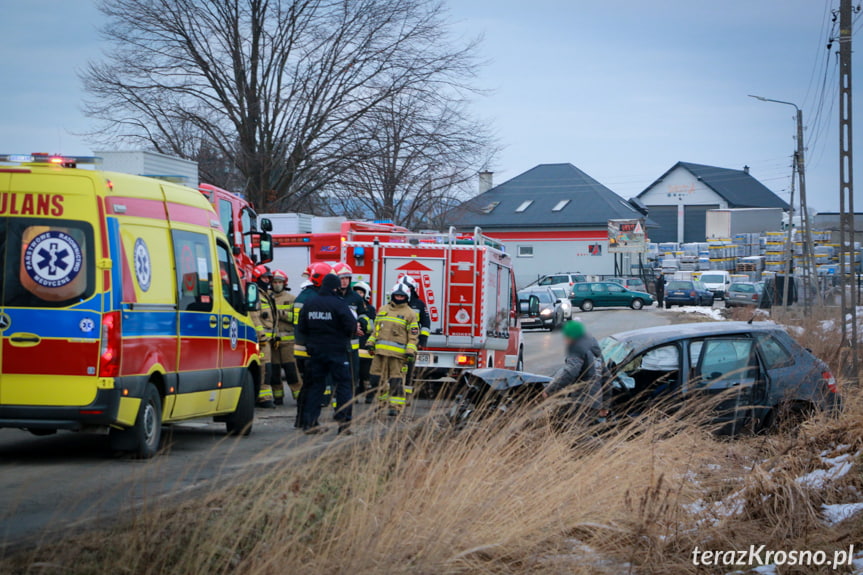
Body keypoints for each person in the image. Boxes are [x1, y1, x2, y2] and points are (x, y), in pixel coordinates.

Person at [297, 273, 357, 434]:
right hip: (337, 351)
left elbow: (301, 327)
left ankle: (310, 423)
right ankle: (343, 424)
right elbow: (351, 326)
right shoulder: (338, 303)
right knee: (343, 385)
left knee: (316, 386)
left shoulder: (310, 303)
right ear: (335, 287)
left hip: (316, 352)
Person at [366, 283, 419, 416]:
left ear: (406, 297)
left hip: (398, 356)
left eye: (402, 296)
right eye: (397, 295)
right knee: (375, 379)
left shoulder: (410, 314)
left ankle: (395, 407)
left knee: (396, 381)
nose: (399, 298)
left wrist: (410, 351)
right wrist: (370, 343)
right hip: (379, 354)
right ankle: (380, 403)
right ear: (392, 295)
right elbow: (376, 330)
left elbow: (413, 335)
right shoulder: (383, 309)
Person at [542, 320, 608, 423]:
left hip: (581, 400)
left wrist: (550, 390)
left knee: (573, 433)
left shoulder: (577, 348)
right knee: (582, 433)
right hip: (594, 402)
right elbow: (607, 378)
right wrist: (604, 405)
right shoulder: (596, 352)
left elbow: (571, 372)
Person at [292, 262, 332, 428]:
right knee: (314, 387)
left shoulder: (303, 296)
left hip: (300, 348)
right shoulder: (313, 298)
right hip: (311, 349)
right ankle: (309, 421)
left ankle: (300, 420)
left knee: (307, 385)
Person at [268, 269, 301, 405]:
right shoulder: (267, 297)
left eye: (280, 282)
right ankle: (278, 397)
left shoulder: (292, 299)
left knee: (291, 371)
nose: (277, 284)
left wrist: (281, 314)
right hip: (273, 342)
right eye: (275, 282)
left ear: (284, 283)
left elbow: (297, 318)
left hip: (288, 342)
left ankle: (299, 396)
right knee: (274, 373)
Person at [398, 275, 430, 400]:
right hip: (397, 341)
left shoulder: (419, 304)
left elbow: (426, 323)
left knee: (409, 370)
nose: (408, 290)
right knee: (395, 369)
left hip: (412, 342)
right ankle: (396, 393)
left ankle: (407, 395)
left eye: (410, 287)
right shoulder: (395, 303)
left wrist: (422, 340)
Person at [250, 271, 277, 409]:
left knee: (267, 369)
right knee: (265, 369)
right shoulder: (255, 295)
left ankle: (263, 396)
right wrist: (261, 337)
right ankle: (264, 398)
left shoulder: (266, 294)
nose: (267, 280)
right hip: (262, 340)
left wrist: (274, 335)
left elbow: (272, 318)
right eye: (264, 278)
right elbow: (254, 317)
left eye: (268, 278)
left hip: (268, 339)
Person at [352, 281, 377, 403]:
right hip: (353, 345)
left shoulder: (371, 309)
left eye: (361, 292)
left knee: (366, 373)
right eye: (356, 292)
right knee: (354, 373)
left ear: (366, 294)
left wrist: (360, 324)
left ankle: (369, 395)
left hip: (365, 345)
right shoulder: (350, 306)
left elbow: (371, 326)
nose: (358, 294)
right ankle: (354, 396)